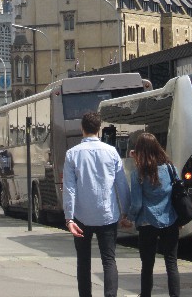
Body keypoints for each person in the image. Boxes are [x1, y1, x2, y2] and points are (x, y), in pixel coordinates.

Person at [63, 111, 131, 297]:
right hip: (107, 214)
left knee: (83, 261)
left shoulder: (72, 154)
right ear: (99, 129)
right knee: (109, 259)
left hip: (81, 216)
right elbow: (122, 184)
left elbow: (69, 188)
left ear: (82, 129)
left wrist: (69, 218)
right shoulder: (112, 152)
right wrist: (126, 212)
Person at [128, 132, 180, 297]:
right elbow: (178, 192)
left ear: (139, 151)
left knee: (147, 264)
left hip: (147, 223)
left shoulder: (138, 173)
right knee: (171, 263)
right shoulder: (170, 168)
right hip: (170, 219)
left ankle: (145, 295)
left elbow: (136, 203)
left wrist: (129, 218)